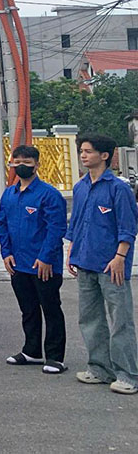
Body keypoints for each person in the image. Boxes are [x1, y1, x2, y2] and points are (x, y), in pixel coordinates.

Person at [67, 134, 138, 394]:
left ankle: (128, 375)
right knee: (90, 319)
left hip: (111, 265)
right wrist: (72, 250)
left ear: (104, 155)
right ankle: (99, 368)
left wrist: (120, 257)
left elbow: (128, 226)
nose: (83, 155)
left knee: (120, 321)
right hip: (85, 261)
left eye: (88, 151)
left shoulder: (118, 188)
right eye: (81, 151)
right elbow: (76, 222)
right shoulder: (81, 186)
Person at [0, 145, 69, 374]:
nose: (21, 165)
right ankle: (32, 351)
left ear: (37, 164)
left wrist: (46, 258)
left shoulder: (49, 194)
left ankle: (56, 357)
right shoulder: (9, 193)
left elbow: (56, 228)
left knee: (50, 309)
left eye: (27, 162)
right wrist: (6, 253)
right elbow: (2, 224)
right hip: (18, 263)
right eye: (16, 161)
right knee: (28, 309)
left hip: (43, 265)